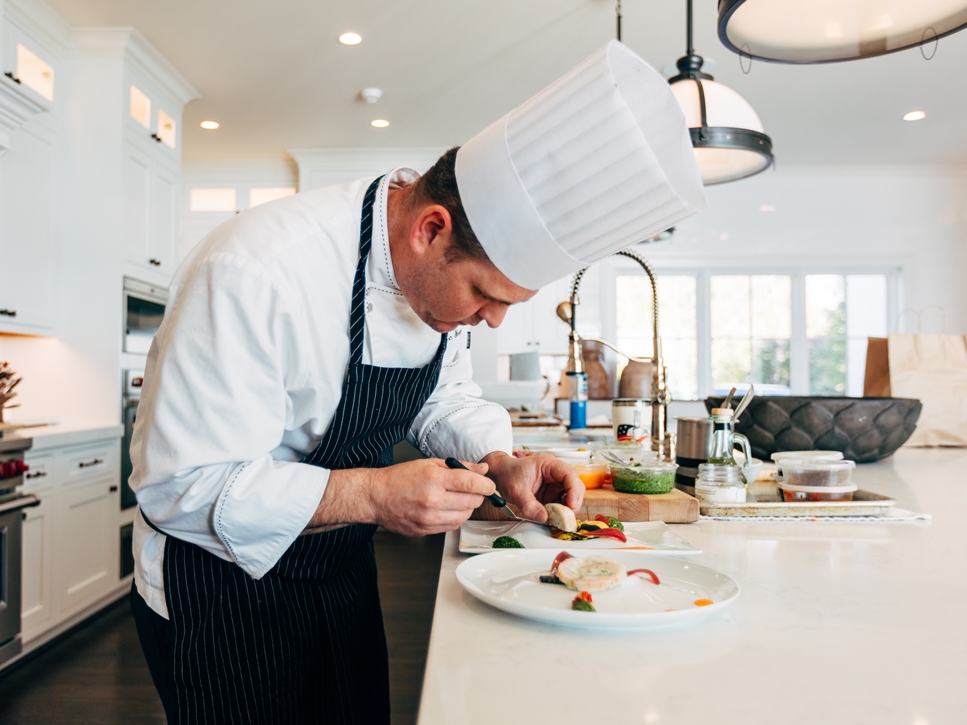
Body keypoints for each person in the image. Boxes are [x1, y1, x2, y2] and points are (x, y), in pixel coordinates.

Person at [129, 41, 706, 725]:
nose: (490, 322)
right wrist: (371, 491)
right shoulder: (255, 269)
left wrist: (502, 457)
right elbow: (181, 485)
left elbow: (443, 395)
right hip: (221, 589)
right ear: (432, 230)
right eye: (487, 295)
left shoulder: (433, 290)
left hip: (338, 568)